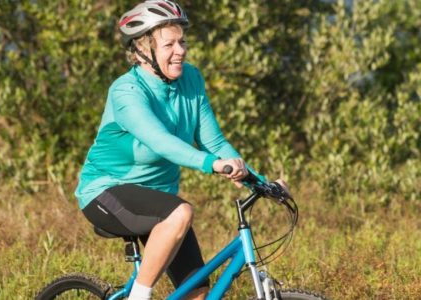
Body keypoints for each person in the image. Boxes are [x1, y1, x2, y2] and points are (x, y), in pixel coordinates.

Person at [74, 1, 291, 299]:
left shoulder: (191, 79)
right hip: (106, 192)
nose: (181, 50)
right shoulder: (126, 92)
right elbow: (161, 141)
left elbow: (214, 142)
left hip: (159, 200)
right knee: (180, 212)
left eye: (182, 41)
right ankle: (139, 295)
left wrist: (260, 180)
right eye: (169, 44)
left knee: (197, 292)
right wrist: (212, 165)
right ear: (142, 50)